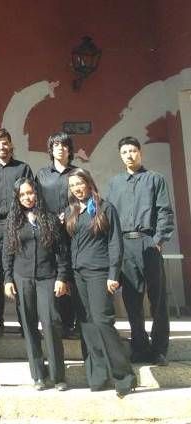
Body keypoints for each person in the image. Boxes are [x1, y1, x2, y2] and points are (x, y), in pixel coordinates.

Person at [65, 168, 136, 398]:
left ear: (89, 183)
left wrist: (113, 274)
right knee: (86, 324)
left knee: (102, 321)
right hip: (77, 274)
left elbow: (115, 243)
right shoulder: (71, 211)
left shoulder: (105, 208)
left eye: (79, 183)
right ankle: (97, 376)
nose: (76, 188)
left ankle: (124, 376)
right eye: (72, 185)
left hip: (99, 272)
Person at [105, 136, 174, 366]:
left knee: (158, 298)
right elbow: (109, 215)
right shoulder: (115, 183)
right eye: (124, 152)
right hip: (125, 245)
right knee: (132, 300)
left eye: (133, 150)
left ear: (140, 152)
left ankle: (159, 349)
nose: (129, 155)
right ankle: (140, 347)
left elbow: (165, 211)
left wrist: (158, 240)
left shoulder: (155, 179)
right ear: (120, 156)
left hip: (149, 242)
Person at [3, 177, 69, 391]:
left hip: (47, 277)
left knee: (50, 323)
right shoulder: (14, 221)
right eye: (22, 195)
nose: (27, 198)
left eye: (30, 193)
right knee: (29, 326)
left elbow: (61, 252)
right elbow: (8, 252)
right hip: (22, 279)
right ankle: (38, 375)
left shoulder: (50, 219)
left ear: (37, 193)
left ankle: (58, 376)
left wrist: (61, 277)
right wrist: (7, 279)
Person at [0, 128, 34, 333]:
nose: (1, 146)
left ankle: (26, 326)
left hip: (18, 226)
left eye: (5, 142)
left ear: (10, 144)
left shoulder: (22, 168)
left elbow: (31, 196)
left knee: (19, 277)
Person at [35, 132, 81, 339]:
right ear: (50, 149)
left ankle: (76, 323)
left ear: (70, 150)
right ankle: (58, 323)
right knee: (54, 276)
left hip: (74, 232)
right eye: (56, 145)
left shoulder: (78, 173)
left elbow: (85, 197)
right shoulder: (42, 175)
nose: (60, 149)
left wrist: (70, 214)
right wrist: (50, 219)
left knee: (74, 277)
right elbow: (36, 202)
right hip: (50, 233)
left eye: (64, 145)